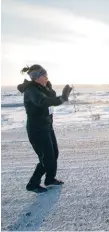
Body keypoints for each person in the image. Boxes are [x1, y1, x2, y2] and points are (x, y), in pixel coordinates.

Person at [17, 64, 72, 193]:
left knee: (54, 154)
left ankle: (50, 179)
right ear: (36, 77)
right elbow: (43, 102)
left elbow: (51, 99)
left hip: (47, 126)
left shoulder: (41, 88)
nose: (47, 77)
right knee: (46, 159)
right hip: (37, 129)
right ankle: (32, 184)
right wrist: (62, 98)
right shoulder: (31, 90)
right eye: (44, 75)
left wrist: (50, 89)